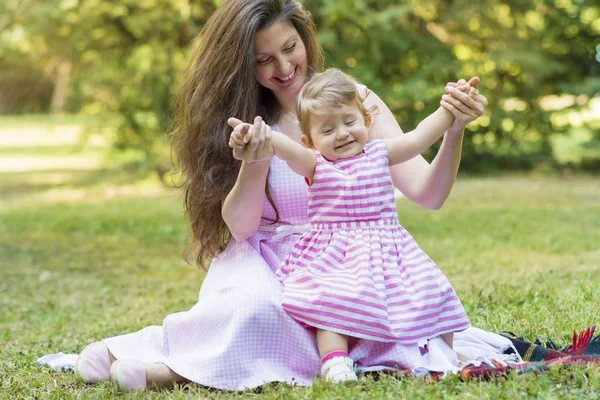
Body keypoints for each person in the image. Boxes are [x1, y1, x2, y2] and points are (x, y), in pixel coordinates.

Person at [75, 0, 496, 392]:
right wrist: (254, 161)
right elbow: (241, 227)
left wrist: (454, 129)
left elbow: (429, 193)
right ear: (242, 65)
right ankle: (151, 356)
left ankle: (165, 371)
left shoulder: (355, 101)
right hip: (268, 257)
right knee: (262, 309)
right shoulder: (245, 121)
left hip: (351, 259)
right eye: (263, 60)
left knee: (349, 317)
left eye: (290, 48)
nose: (283, 67)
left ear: (304, 38)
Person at [229, 68, 476, 382]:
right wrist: (252, 134)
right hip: (335, 255)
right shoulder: (313, 163)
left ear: (366, 122)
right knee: (331, 303)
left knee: (429, 291)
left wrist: (450, 109)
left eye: (349, 122)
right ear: (310, 141)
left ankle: (441, 352)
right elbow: (280, 145)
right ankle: (335, 362)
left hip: (388, 248)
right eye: (328, 129)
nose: (342, 134)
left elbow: (418, 137)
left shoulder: (380, 152)